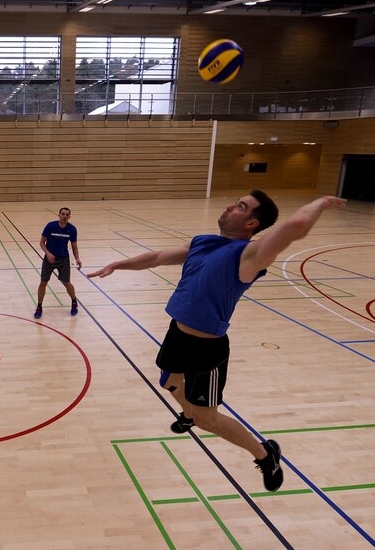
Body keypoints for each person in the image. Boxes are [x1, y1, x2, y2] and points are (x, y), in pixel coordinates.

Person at [88, 192, 346, 491]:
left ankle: (265, 455)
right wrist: (118, 264)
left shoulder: (248, 256)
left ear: (251, 223)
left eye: (241, 206)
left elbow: (298, 224)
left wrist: (322, 203)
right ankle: (187, 414)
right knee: (170, 382)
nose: (229, 206)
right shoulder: (202, 242)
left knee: (207, 421)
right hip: (178, 332)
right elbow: (158, 258)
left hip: (206, 349)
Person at [34, 207, 81, 319]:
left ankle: (74, 301)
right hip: (49, 259)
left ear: (69, 217)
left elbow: (74, 247)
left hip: (63, 260)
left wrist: (77, 258)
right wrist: (48, 253)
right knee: (43, 283)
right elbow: (41, 243)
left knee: (66, 283)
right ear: (59, 215)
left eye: (67, 215)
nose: (64, 216)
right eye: (63, 214)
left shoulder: (72, 229)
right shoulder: (50, 226)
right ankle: (39, 306)